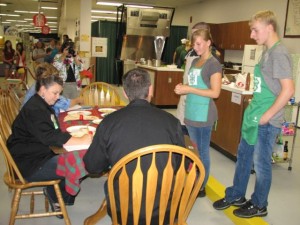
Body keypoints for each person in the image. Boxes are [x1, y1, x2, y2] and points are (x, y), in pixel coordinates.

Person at [213, 10, 295, 218]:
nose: (251, 35)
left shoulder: (279, 53)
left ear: (270, 28)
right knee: (243, 158)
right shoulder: (267, 52)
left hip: (266, 122)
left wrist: (266, 116)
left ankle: (260, 204)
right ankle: (236, 195)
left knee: (261, 164)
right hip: (254, 117)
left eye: (255, 30)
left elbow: (288, 90)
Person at [83, 68, 185, 224]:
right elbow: (180, 166)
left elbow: (92, 166)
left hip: (125, 210)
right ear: (151, 89)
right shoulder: (172, 122)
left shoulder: (109, 123)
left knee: (109, 184)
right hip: (164, 208)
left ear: (124, 93)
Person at [7, 67, 92, 218]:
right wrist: (79, 139)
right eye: (55, 93)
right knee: (83, 161)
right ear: (42, 89)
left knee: (76, 157)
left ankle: (57, 192)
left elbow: (51, 131)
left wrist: (69, 137)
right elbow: (50, 137)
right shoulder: (35, 110)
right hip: (28, 164)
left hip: (33, 154)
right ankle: (55, 194)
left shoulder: (40, 104)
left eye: (59, 93)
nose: (58, 97)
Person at [174, 28, 222, 198]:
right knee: (193, 151)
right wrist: (183, 88)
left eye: (199, 43)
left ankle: (201, 186)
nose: (196, 47)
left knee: (202, 152)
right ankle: (195, 180)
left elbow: (215, 93)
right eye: (194, 44)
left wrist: (189, 88)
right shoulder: (195, 62)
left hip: (204, 115)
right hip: (191, 112)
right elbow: (192, 84)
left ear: (209, 43)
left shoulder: (213, 64)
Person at [176, 22, 217, 137]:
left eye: (196, 36)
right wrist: (184, 87)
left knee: (196, 144)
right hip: (187, 101)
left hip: (199, 108)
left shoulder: (211, 60)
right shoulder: (191, 53)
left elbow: (212, 91)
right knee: (183, 135)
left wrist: (189, 89)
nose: (193, 40)